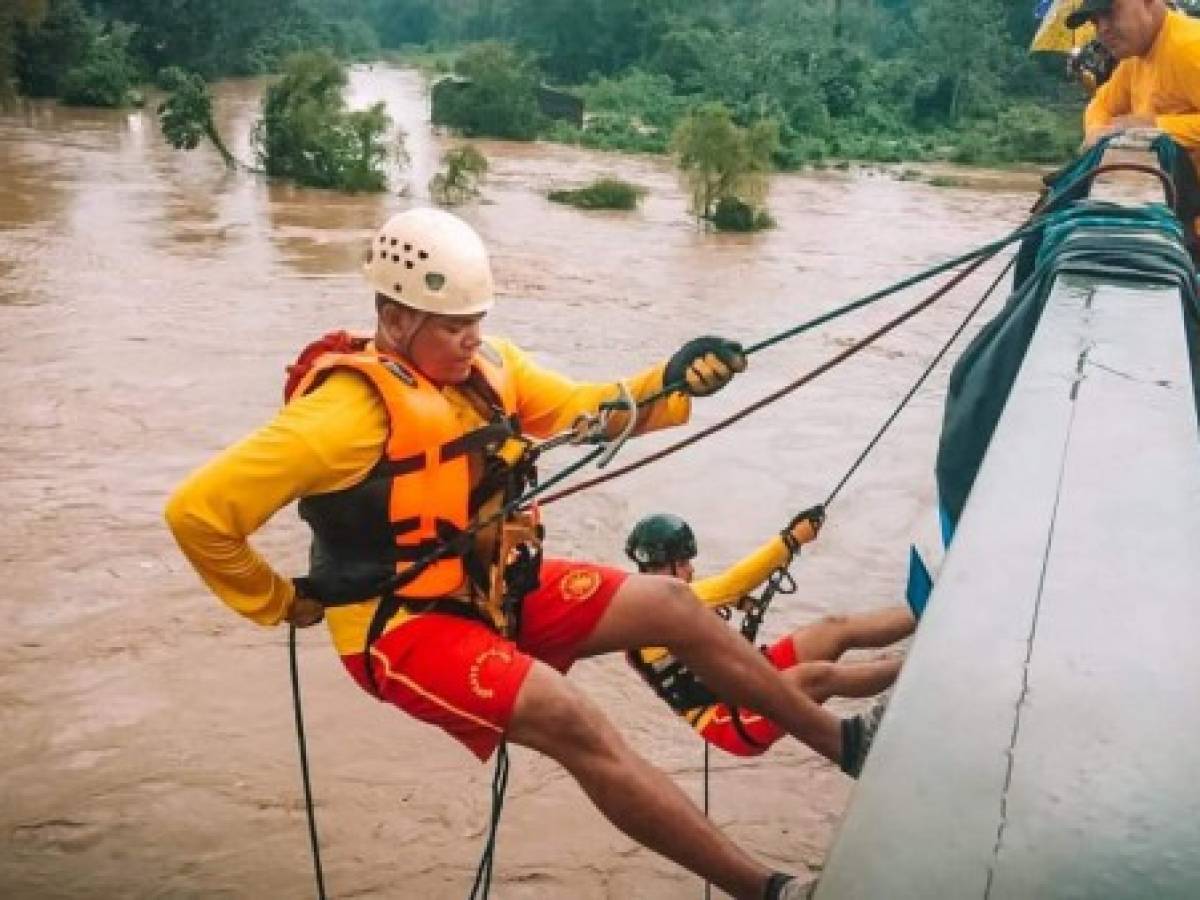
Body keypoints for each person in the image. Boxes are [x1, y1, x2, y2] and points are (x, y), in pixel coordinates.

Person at [165, 208, 881, 900]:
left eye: (478, 321)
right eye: (454, 327)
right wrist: (280, 601)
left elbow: (590, 408)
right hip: (401, 627)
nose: (472, 340)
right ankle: (772, 892)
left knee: (671, 603)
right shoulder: (342, 415)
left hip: (493, 588)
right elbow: (198, 511)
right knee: (570, 715)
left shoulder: (493, 367)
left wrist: (673, 378)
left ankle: (843, 743)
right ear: (394, 320)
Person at [625, 510, 915, 758]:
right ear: (669, 563)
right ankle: (918, 672)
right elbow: (733, 582)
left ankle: (925, 609)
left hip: (746, 679)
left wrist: (736, 601)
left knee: (833, 629)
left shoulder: (663, 595)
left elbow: (715, 591)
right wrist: (791, 539)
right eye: (685, 562)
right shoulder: (653, 608)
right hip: (729, 720)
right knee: (816, 678)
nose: (691, 569)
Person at [1070, 0, 1200, 250]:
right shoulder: (1134, 60)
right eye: (1095, 21)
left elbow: (1149, 126)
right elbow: (1101, 105)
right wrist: (1098, 132)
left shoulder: (1189, 47)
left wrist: (1156, 126)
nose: (1103, 29)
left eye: (1110, 13)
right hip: (1179, 219)